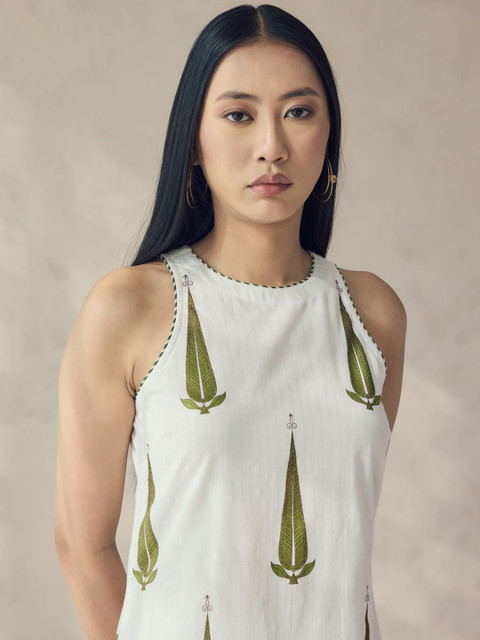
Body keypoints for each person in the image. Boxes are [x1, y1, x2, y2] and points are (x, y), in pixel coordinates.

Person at [55, 4, 406, 639]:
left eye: (299, 112)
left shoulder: (372, 315)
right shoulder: (130, 309)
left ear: (329, 136)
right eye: (239, 115)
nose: (272, 146)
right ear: (194, 140)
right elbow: (83, 546)